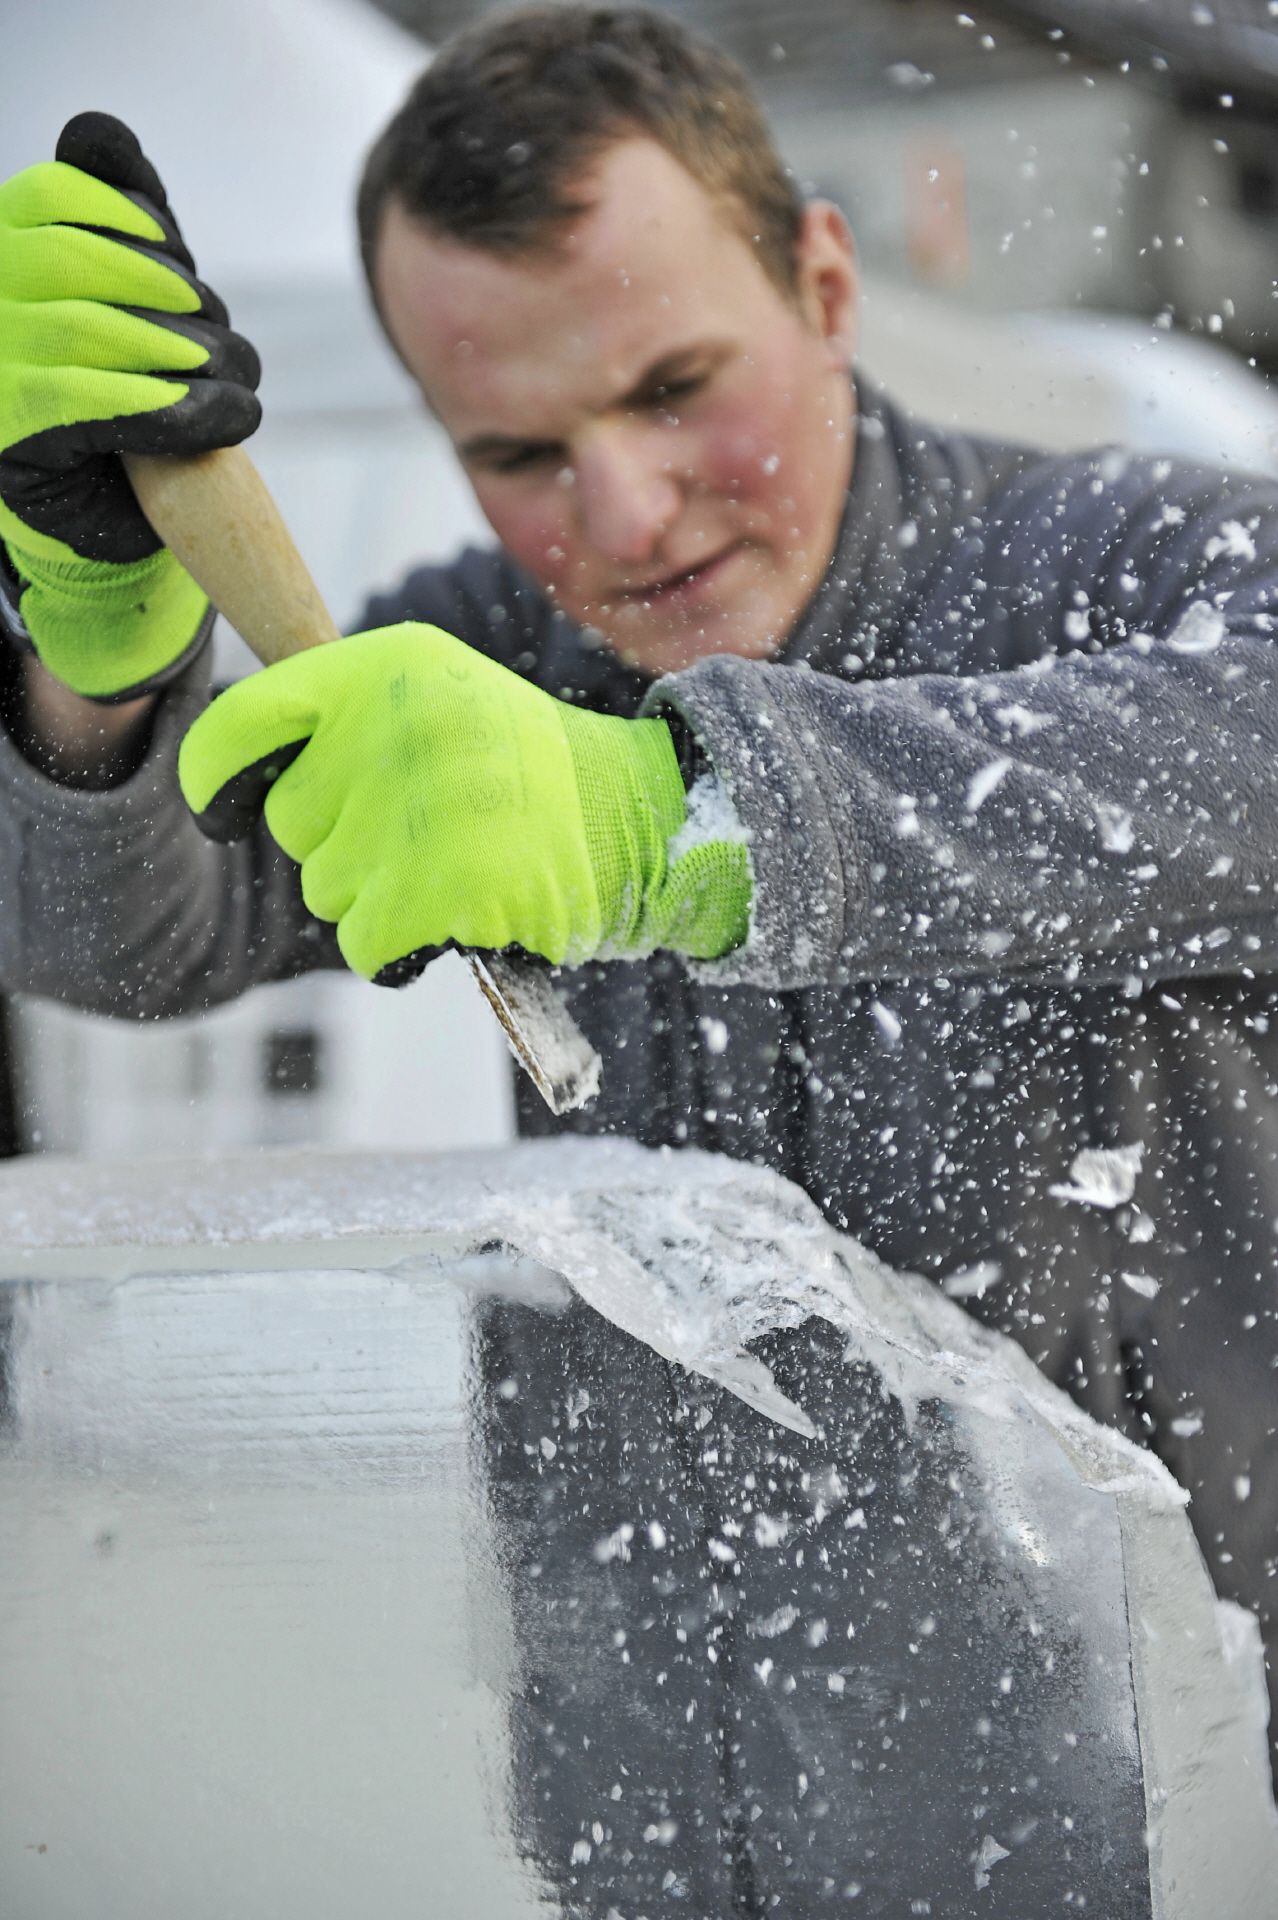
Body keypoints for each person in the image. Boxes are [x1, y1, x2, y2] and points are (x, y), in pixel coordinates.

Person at [1, 1, 1277, 1776]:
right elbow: (118, 938)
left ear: (825, 284)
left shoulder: (1130, 564)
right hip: (664, 1805)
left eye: (674, 389)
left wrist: (670, 822)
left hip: (1158, 1790)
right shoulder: (495, 654)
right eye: (516, 452)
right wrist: (103, 658)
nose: (623, 513)